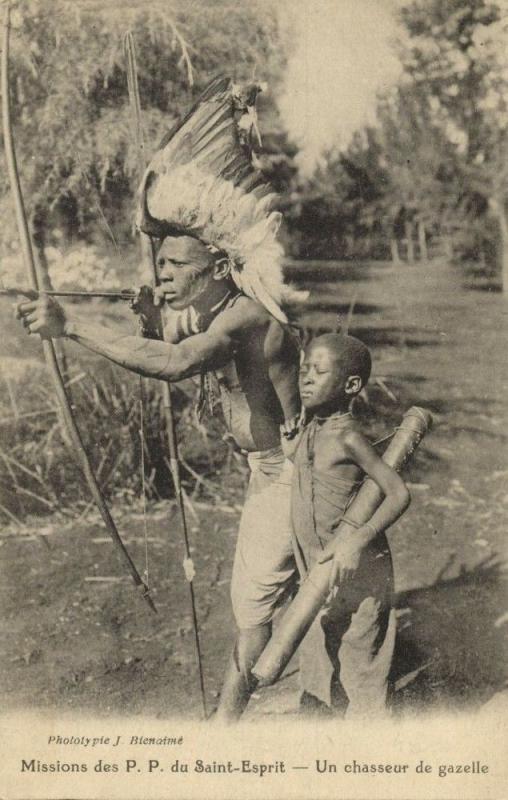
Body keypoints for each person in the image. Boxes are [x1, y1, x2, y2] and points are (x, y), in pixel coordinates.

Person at [15, 76, 305, 722]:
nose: (162, 276)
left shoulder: (248, 317)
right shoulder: (216, 307)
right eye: (163, 266)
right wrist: (150, 316)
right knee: (271, 594)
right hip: (272, 473)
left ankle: (228, 723)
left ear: (219, 268)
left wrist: (73, 327)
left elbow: (176, 362)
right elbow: (168, 337)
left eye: (177, 268)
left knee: (253, 602)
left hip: (296, 473)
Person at [290, 333, 410, 716]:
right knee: (318, 649)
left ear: (351, 385)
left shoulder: (347, 437)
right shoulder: (310, 429)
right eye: (304, 369)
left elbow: (398, 493)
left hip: (358, 566)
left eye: (319, 371)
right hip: (317, 567)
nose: (306, 378)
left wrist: (357, 541)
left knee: (361, 657)